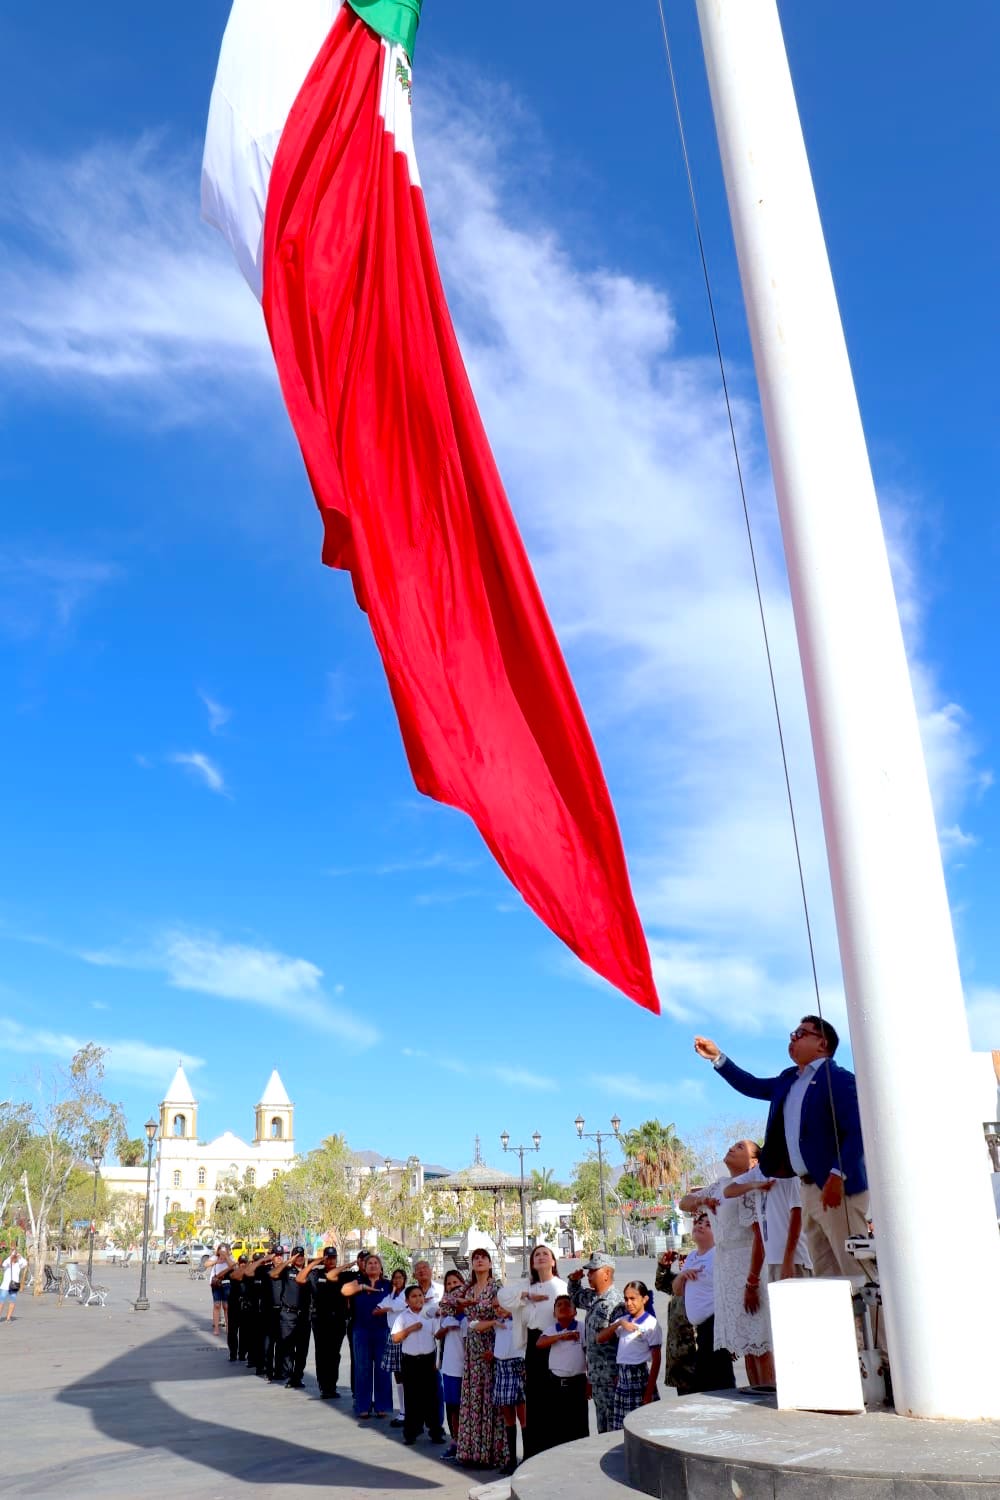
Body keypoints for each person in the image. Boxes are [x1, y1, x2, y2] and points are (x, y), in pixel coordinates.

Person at [694, 1019, 868, 1278]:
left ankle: (875, 1308)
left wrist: (837, 1174)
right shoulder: (788, 1079)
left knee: (856, 1268)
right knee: (827, 1274)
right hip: (808, 1187)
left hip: (837, 1188)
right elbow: (752, 1085)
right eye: (793, 1033)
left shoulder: (839, 1080)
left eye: (801, 1033)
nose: (793, 1038)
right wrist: (717, 1058)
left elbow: (857, 1129)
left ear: (822, 1043)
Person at [681, 1140, 773, 1387]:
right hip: (726, 1266)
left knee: (761, 1342)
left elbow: (759, 1237)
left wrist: (752, 1281)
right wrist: (702, 1201)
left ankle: (769, 1393)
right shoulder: (720, 1185)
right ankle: (756, 1391)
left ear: (753, 1161)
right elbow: (684, 1202)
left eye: (740, 1147)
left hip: (747, 1264)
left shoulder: (751, 1186)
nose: (732, 1148)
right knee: (747, 1346)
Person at [438, 1248, 507, 1470]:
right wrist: (463, 1297)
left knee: (489, 1400)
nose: (479, 1261)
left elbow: (504, 1317)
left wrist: (495, 1348)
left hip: (491, 1346)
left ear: (490, 1263)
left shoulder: (496, 1287)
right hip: (471, 1350)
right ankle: (473, 1451)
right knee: (473, 1399)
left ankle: (491, 1452)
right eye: (475, 1258)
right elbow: (445, 1303)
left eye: (483, 1257)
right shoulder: (467, 1288)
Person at [669, 1212, 735, 1392]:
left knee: (720, 1383)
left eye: (708, 1224)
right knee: (704, 1384)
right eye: (699, 1222)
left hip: (715, 1325)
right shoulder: (691, 1256)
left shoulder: (719, 1255)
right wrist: (682, 1275)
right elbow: (677, 1290)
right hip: (699, 1331)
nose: (700, 1225)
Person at [567, 1251, 626, 1435]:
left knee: (615, 1429)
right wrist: (574, 1280)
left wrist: (620, 1375)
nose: (588, 1274)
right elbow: (575, 1296)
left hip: (612, 1379)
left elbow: (624, 1342)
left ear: (607, 1273)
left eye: (593, 1271)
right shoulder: (594, 1298)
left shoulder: (616, 1303)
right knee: (603, 1428)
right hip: (598, 1379)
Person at [519, 1244, 567, 1456]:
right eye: (536, 1255)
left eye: (545, 1254)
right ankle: (533, 1452)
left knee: (552, 1400)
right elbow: (504, 1299)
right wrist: (526, 1295)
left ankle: (552, 1452)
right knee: (534, 1400)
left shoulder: (561, 1286)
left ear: (553, 1261)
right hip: (532, 1345)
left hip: (553, 1343)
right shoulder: (527, 1288)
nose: (540, 1257)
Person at [724, 1167, 812, 1280]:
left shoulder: (789, 1172)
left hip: (794, 1260)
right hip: (772, 1260)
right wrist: (754, 1185)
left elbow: (797, 1216)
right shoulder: (757, 1172)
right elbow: (728, 1192)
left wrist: (788, 1259)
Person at [597, 1280, 662, 1429]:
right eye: (626, 1299)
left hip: (639, 1378)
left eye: (633, 1298)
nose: (629, 1303)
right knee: (622, 1426)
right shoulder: (624, 1321)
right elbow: (600, 1338)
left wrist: (648, 1392)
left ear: (644, 1299)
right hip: (623, 1379)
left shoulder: (651, 1324)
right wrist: (619, 1324)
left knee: (641, 1425)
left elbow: (657, 1360)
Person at [390, 1285, 448, 1446]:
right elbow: (395, 1338)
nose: (418, 1299)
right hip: (410, 1361)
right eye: (414, 1296)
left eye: (420, 1295)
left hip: (428, 1360)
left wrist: (443, 1321)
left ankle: (435, 1431)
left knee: (431, 1397)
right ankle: (411, 1432)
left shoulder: (430, 1315)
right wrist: (411, 1329)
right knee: (412, 1398)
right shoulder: (402, 1317)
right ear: (407, 1301)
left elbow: (437, 1335)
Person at [341, 1252, 392, 1418]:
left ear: (381, 1267)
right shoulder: (358, 1282)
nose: (373, 1265)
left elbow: (399, 1302)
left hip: (382, 1330)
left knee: (382, 1369)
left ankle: (382, 1406)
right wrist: (362, 1287)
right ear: (364, 1266)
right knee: (362, 1368)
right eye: (370, 1263)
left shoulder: (388, 1284)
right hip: (361, 1330)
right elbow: (344, 1290)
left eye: (376, 1263)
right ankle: (363, 1405)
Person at [537, 1293, 588, 1448]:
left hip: (577, 1383)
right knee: (557, 1426)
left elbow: (589, 1354)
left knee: (579, 1425)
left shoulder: (582, 1327)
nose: (563, 1307)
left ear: (575, 1311)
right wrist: (561, 1336)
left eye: (567, 1304)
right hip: (556, 1384)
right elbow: (540, 1343)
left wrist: (590, 1381)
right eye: (559, 1305)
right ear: (554, 1314)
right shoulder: (552, 1329)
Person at [299, 1246, 349, 1398]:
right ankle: (324, 1387)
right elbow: (300, 1279)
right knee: (321, 1354)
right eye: (328, 1258)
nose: (331, 1261)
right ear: (324, 1258)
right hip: (320, 1319)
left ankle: (331, 1386)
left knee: (334, 1354)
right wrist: (316, 1262)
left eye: (333, 1258)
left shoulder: (343, 1275)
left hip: (337, 1320)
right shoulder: (316, 1274)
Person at [655, 1252, 698, 1396]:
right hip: (679, 1360)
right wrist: (664, 1267)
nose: (682, 1261)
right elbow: (661, 1283)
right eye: (680, 1258)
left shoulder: (702, 1282)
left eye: (686, 1258)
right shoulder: (678, 1281)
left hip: (696, 1359)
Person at [436, 1270, 467, 1459]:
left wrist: (461, 1319)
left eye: (456, 1282)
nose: (453, 1286)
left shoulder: (470, 1314)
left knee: (466, 1407)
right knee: (453, 1406)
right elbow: (438, 1333)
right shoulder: (447, 1315)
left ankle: (467, 1443)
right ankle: (455, 1441)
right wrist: (447, 1327)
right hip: (450, 1367)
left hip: (468, 1368)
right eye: (449, 1284)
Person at [271, 1246, 311, 1388]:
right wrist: (289, 1261)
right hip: (288, 1314)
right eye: (296, 1255)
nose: (299, 1258)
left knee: (302, 1349)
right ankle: (289, 1376)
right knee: (287, 1347)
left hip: (304, 1315)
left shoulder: (308, 1272)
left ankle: (297, 1377)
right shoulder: (286, 1271)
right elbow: (273, 1274)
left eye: (301, 1255)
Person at [376, 1267, 410, 1425]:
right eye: (395, 1278)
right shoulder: (390, 1295)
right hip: (393, 1336)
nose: (397, 1280)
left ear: (405, 1279)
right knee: (398, 1375)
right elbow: (376, 1310)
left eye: (400, 1277)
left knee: (408, 1374)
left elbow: (400, 1306)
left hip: (407, 1337)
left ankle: (410, 1411)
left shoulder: (407, 1293)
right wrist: (387, 1306)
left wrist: (388, 1308)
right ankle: (403, 1411)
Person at [207, 1243, 234, 1336]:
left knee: (226, 1306)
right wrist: (216, 1261)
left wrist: (226, 1257)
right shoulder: (215, 1258)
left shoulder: (230, 1258)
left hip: (227, 1283)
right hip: (216, 1284)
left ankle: (228, 1328)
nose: (222, 1252)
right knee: (217, 1305)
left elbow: (233, 1266)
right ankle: (216, 1328)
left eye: (224, 1250)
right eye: (221, 1250)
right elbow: (206, 1264)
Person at [1, 1248, 25, 1322]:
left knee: (12, 1301)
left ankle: (8, 1318)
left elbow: (25, 1263)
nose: (15, 1258)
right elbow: (3, 1264)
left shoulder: (19, 1265)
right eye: (14, 1257)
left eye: (15, 1257)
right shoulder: (7, 1264)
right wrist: (10, 1256)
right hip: (5, 1286)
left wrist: (20, 1256)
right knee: (1, 1301)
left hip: (14, 1285)